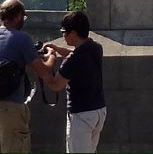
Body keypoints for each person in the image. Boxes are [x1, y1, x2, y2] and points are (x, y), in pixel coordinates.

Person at [0, 0, 56, 154]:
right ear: (19, 15)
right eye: (24, 17)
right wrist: (51, 56)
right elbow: (45, 73)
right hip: (10, 105)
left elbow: (3, 63)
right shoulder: (21, 38)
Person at [42, 11, 106, 154]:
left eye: (64, 32)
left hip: (81, 115)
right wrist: (58, 50)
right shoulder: (95, 47)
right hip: (98, 111)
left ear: (73, 33)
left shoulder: (72, 61)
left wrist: (48, 63)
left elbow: (55, 85)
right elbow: (75, 53)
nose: (63, 35)